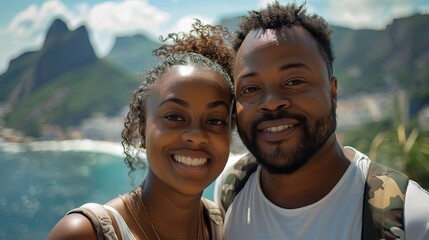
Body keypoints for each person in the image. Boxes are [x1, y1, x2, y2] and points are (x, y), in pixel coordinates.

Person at [214, 2, 429, 240]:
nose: (272, 102)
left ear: (333, 92)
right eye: (251, 88)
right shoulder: (232, 186)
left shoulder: (412, 219)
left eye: (294, 81)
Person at [48, 19, 235, 240]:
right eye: (174, 116)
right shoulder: (83, 233)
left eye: (215, 121)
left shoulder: (226, 225)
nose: (195, 135)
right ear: (143, 130)